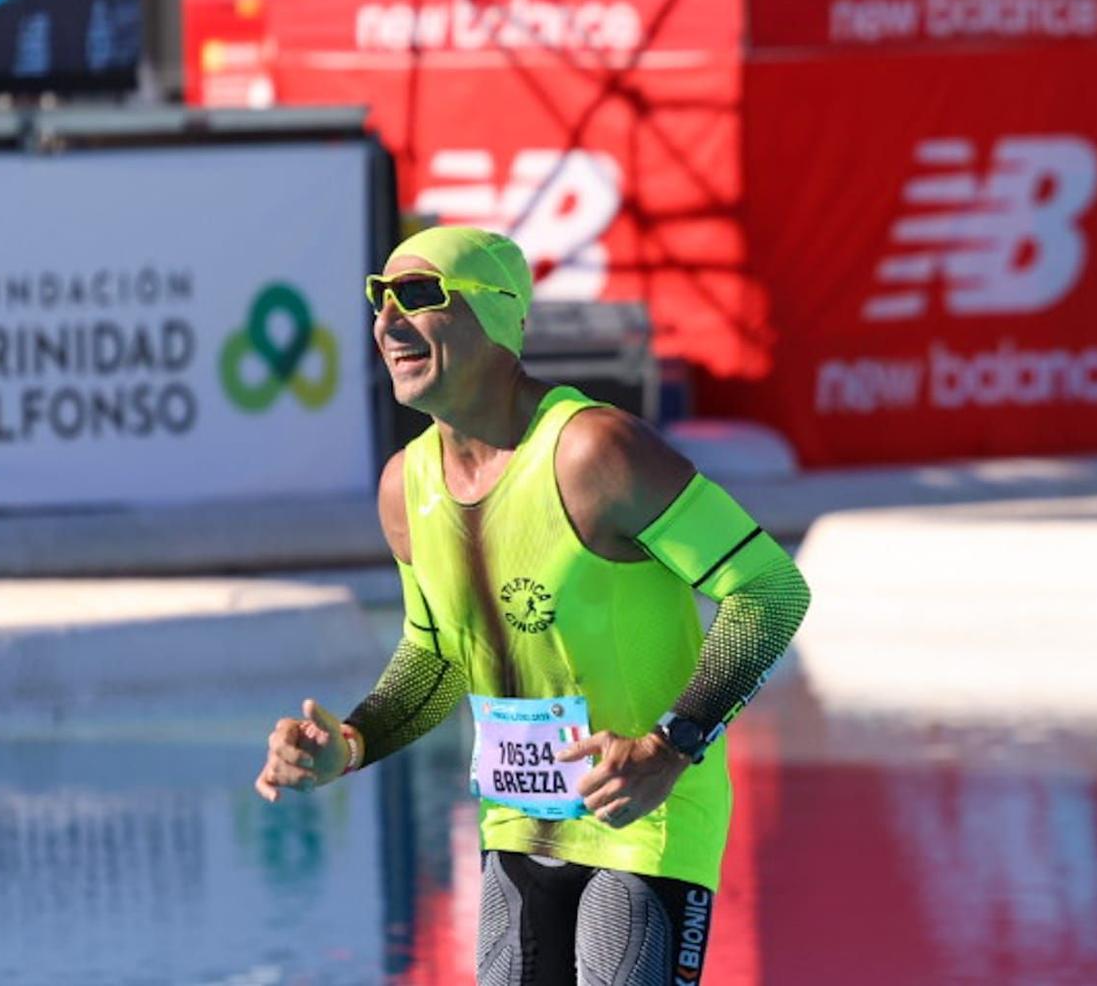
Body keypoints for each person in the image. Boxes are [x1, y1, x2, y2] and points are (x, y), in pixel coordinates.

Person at [255, 227, 812, 985]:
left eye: (419, 296)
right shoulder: (406, 486)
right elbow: (436, 655)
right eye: (378, 298)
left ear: (499, 320)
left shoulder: (593, 453)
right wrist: (350, 743)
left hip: (642, 822)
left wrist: (671, 745)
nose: (388, 322)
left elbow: (771, 591)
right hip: (521, 826)